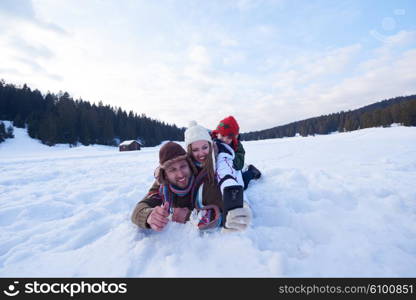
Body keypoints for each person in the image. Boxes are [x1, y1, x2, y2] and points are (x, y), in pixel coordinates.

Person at [131, 141, 223, 232]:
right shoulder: (162, 186)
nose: (180, 174)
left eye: (183, 166)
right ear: (165, 175)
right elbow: (138, 210)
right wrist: (149, 216)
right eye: (173, 170)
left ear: (190, 166)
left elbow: (222, 214)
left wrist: (190, 216)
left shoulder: (205, 182)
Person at [185, 121, 252, 232]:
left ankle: (252, 171)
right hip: (233, 167)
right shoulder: (184, 163)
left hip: (234, 171)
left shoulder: (220, 157)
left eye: (204, 147)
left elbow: (226, 176)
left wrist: (240, 202)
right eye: (195, 150)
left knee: (245, 181)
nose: (201, 153)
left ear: (210, 145)